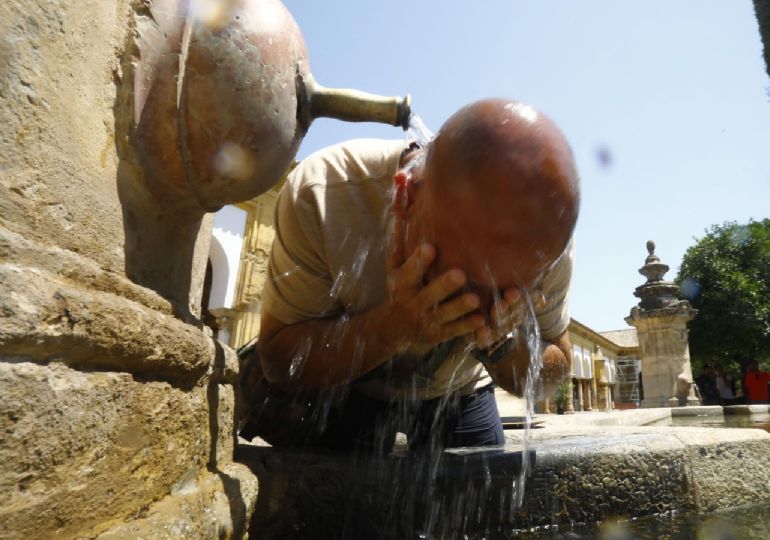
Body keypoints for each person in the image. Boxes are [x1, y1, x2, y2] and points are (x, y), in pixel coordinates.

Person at [240, 99, 580, 454]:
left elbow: (554, 374)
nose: (472, 307)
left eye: (502, 291)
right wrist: (393, 327)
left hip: (460, 390)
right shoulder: (325, 193)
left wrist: (500, 345)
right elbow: (279, 361)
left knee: (487, 500)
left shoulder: (547, 243)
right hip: (347, 388)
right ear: (405, 197)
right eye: (458, 280)